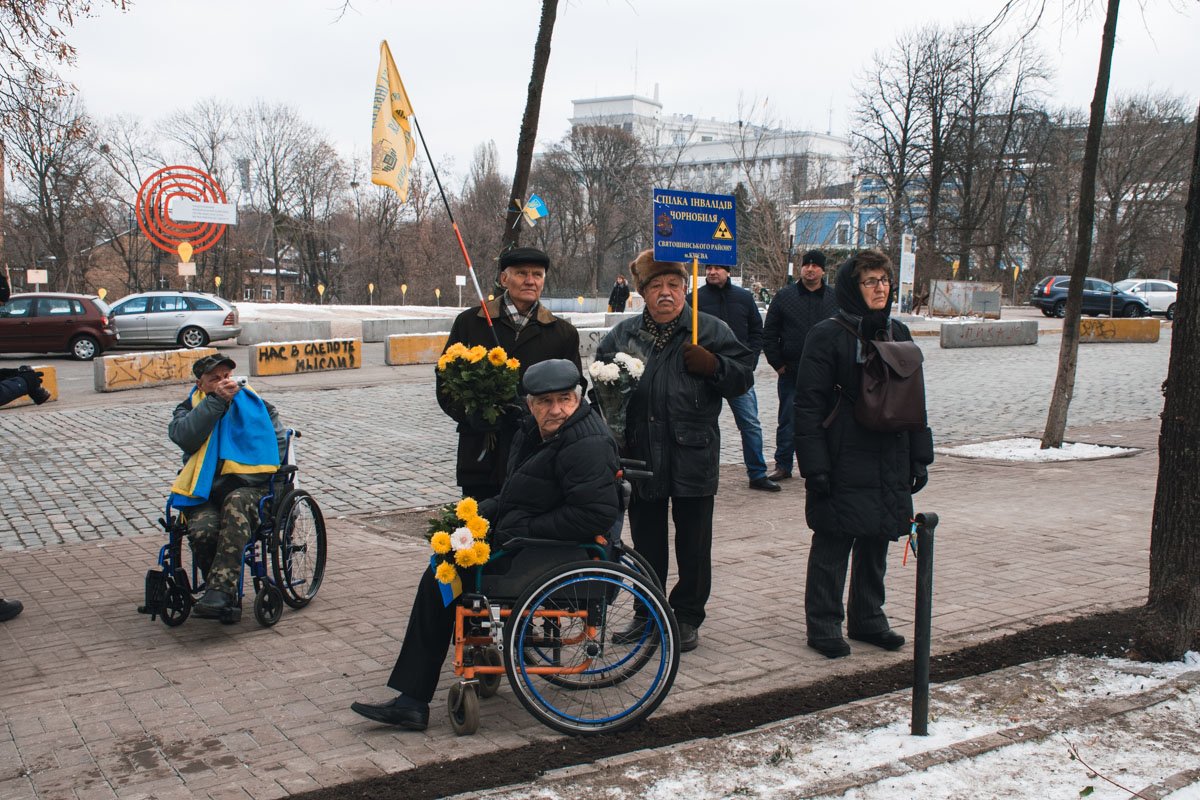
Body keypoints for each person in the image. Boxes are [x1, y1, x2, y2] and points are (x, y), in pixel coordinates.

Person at [351, 359, 621, 730]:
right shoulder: (539, 432)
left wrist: (520, 528)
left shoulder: (584, 443)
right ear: (529, 404)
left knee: (440, 580)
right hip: (531, 542)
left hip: (549, 553)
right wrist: (473, 515)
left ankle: (413, 699)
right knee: (444, 559)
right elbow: (518, 495)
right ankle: (425, 685)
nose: (555, 409)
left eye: (564, 399)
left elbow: (593, 515)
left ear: (578, 398)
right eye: (544, 402)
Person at [596, 251, 755, 653]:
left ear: (685, 288)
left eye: (674, 285)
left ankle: (686, 616)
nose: (666, 293)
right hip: (641, 453)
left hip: (693, 452)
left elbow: (742, 377)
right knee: (647, 543)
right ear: (642, 292)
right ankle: (647, 614)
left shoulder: (709, 329)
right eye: (656, 286)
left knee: (694, 543)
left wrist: (714, 365)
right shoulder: (624, 336)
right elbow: (601, 387)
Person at [793, 250, 934, 659]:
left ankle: (868, 617)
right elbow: (808, 405)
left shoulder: (898, 332)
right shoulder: (827, 334)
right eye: (870, 281)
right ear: (852, 289)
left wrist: (918, 457)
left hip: (889, 452)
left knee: (878, 538)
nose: (880, 288)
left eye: (884, 280)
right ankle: (823, 623)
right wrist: (814, 465)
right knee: (834, 542)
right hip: (843, 453)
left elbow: (916, 400)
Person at [437, 247, 582, 501]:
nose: (530, 280)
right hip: (481, 456)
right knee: (482, 532)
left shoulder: (562, 333)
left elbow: (575, 391)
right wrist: (472, 415)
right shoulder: (470, 323)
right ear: (504, 279)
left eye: (537, 274)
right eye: (521, 273)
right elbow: (446, 381)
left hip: (538, 456)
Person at [168, 355, 287, 620]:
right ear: (201, 384)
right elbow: (185, 438)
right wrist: (216, 402)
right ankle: (223, 594)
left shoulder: (258, 405)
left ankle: (220, 592)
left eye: (226, 376)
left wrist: (251, 471)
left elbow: (277, 445)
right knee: (202, 531)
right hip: (207, 491)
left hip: (251, 487)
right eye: (215, 379)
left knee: (235, 503)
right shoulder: (189, 408)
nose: (224, 382)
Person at [690, 262, 779, 492]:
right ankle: (698, 475)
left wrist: (749, 363)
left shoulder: (744, 298)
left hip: (737, 372)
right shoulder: (695, 300)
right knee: (699, 425)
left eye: (717, 268)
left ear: (728, 271)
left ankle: (757, 473)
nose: (711, 272)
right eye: (708, 268)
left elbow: (756, 331)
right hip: (705, 372)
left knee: (750, 423)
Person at [762, 249, 837, 482]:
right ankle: (783, 464)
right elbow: (770, 333)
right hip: (792, 371)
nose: (810, 269)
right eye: (806, 265)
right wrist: (778, 364)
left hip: (828, 373)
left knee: (828, 420)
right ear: (801, 269)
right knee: (788, 420)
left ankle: (826, 465)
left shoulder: (835, 299)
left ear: (823, 270)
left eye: (815, 266)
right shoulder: (785, 297)